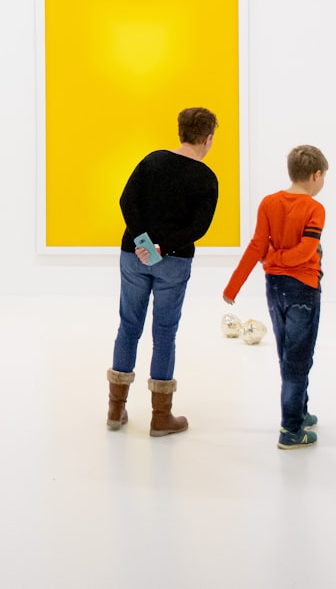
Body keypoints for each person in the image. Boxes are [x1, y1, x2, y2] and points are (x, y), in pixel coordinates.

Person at [106, 107, 219, 437]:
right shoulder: (206, 178)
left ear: (180, 131)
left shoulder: (152, 161)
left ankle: (115, 409)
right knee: (164, 332)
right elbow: (199, 228)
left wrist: (144, 243)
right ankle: (160, 417)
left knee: (129, 326)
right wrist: (162, 249)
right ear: (208, 138)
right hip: (174, 262)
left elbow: (127, 201)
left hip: (134, 255)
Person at [223, 145, 329, 449]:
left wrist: (234, 286)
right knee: (299, 358)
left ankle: (300, 410)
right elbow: (306, 251)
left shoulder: (270, 203)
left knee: (289, 354)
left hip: (275, 288)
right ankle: (291, 430)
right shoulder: (314, 209)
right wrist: (279, 260)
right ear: (316, 175)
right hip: (303, 289)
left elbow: (258, 246)